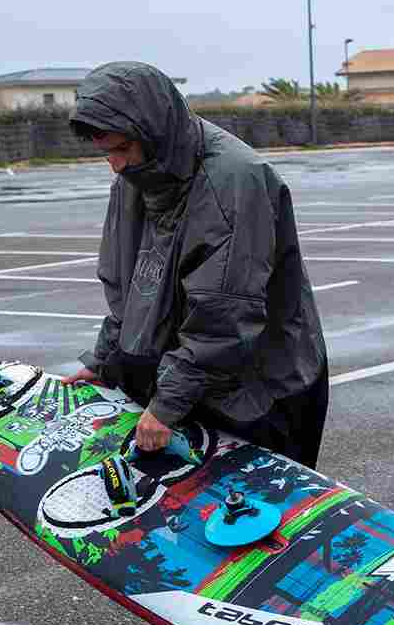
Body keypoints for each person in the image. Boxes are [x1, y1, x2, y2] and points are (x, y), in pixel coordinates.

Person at [61, 61, 329, 469]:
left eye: (121, 149)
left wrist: (167, 404)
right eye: (106, 153)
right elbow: (131, 290)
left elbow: (224, 316)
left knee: (255, 522)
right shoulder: (137, 177)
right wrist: (103, 362)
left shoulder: (235, 182)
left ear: (152, 133)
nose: (114, 165)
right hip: (197, 383)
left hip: (259, 390)